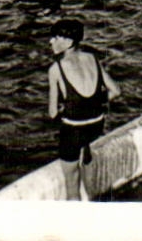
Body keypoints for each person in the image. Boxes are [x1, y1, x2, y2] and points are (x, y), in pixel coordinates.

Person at [47, 18, 117, 200]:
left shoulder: (56, 69)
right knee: (92, 183)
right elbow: (116, 91)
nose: (51, 41)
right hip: (95, 127)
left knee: (72, 187)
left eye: (55, 38)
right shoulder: (93, 58)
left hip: (73, 130)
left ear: (68, 42)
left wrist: (69, 107)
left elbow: (53, 113)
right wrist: (91, 104)